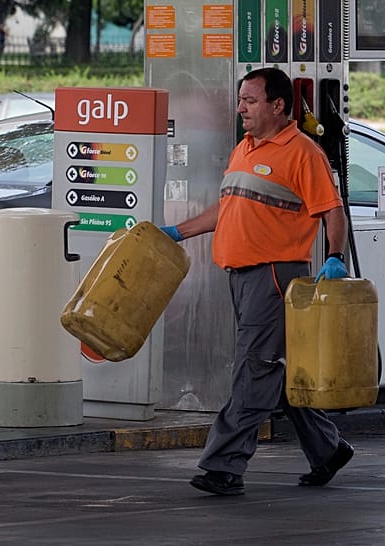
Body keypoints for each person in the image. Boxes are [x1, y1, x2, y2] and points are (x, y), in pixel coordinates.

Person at [160, 67, 353, 496]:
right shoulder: (244, 148)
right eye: (241, 100)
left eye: (250, 100)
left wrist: (335, 256)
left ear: (277, 105)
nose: (241, 108)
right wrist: (179, 231)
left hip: (274, 276)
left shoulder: (303, 152)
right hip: (242, 278)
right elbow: (227, 208)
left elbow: (332, 210)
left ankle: (224, 467)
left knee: (254, 370)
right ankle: (327, 449)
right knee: (271, 370)